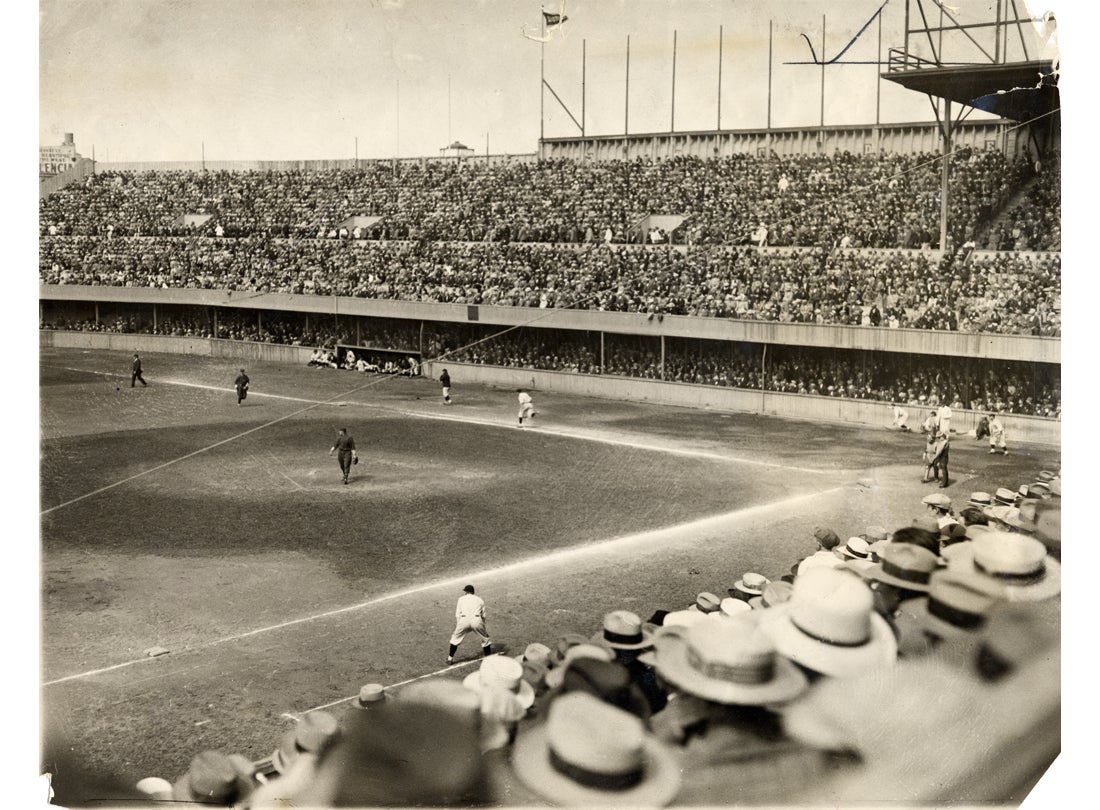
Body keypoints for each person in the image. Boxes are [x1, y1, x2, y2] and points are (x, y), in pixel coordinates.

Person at [447, 584, 492, 664]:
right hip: (477, 620)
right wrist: (482, 627)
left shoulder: (460, 599)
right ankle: (488, 659)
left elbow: (458, 615)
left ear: (467, 592)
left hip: (464, 620)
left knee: (455, 639)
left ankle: (450, 658)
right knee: (485, 639)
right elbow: (484, 616)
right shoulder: (480, 600)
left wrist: (459, 626)